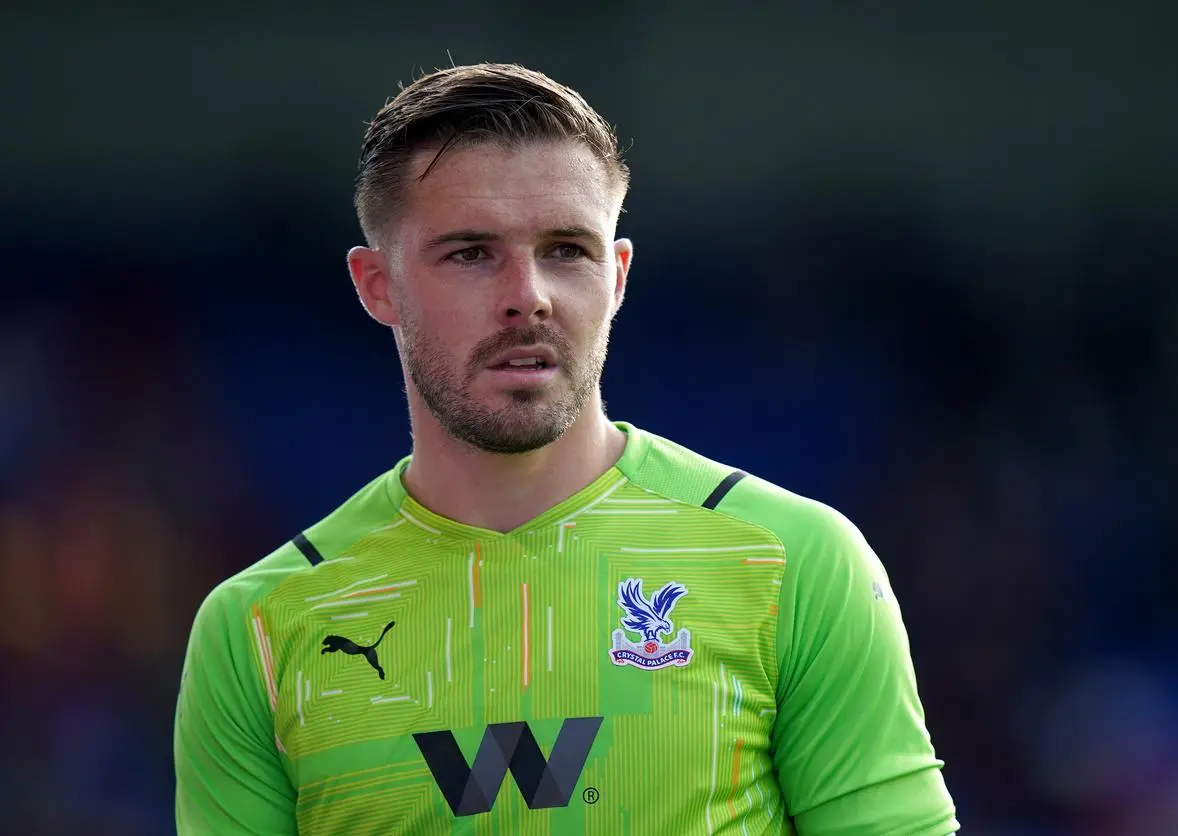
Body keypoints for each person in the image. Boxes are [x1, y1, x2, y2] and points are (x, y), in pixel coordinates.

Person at [173, 62, 959, 835]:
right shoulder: (260, 629)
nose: (529, 295)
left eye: (566, 250)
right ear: (377, 285)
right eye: (471, 253)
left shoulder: (794, 562)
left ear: (616, 276)